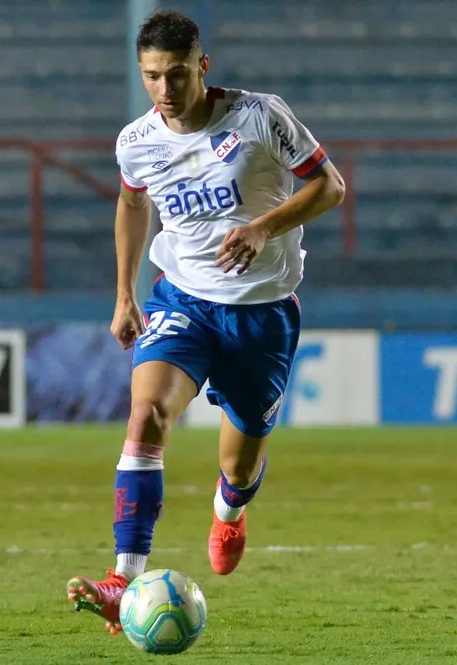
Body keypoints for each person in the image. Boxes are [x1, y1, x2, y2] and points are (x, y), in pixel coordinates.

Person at [66, 10, 345, 634]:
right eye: (151, 76)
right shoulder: (137, 141)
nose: (164, 89)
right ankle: (123, 580)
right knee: (146, 414)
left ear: (202, 66)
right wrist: (125, 295)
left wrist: (263, 227)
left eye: (176, 73)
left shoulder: (260, 116)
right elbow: (132, 203)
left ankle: (230, 510)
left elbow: (330, 187)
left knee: (239, 468)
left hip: (262, 312)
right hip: (182, 301)